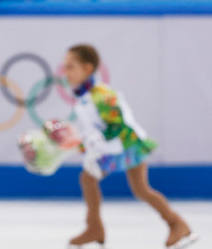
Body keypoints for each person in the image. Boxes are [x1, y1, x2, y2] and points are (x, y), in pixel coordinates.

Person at [63, 44, 197, 248]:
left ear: (87, 68)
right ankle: (177, 224)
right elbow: (94, 130)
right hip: (118, 144)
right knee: (140, 189)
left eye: (70, 66)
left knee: (92, 179)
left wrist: (95, 144)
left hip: (125, 144)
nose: (65, 72)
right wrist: (84, 145)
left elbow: (116, 126)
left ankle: (95, 227)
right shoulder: (85, 96)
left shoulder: (101, 95)